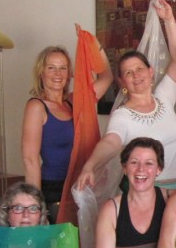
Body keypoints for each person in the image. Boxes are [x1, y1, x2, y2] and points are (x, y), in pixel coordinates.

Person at [75, 0, 176, 192]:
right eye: (128, 72)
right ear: (122, 81)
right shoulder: (122, 115)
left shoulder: (165, 97)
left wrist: (169, 20)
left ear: (150, 72)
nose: (136, 75)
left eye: (140, 69)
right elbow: (110, 142)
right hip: (143, 193)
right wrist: (89, 166)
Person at [21, 42, 112, 217]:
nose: (58, 74)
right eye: (51, 68)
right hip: (54, 190)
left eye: (63, 68)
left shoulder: (74, 101)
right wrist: (34, 205)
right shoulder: (36, 106)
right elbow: (30, 160)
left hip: (81, 186)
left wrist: (95, 45)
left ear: (69, 73)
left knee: (84, 235)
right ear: (41, 72)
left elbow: (106, 77)